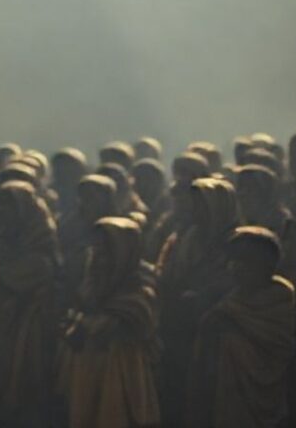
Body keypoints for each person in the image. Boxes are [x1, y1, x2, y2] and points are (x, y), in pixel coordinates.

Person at [184, 227, 295, 428]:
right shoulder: (226, 306)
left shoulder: (281, 303)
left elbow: (282, 348)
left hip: (270, 404)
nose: (235, 267)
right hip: (226, 405)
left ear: (267, 265)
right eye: (233, 260)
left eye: (246, 261)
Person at [57, 217, 160, 428]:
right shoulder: (91, 285)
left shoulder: (139, 295)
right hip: (87, 375)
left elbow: (110, 326)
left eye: (106, 251)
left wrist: (83, 324)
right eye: (96, 249)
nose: (98, 257)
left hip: (122, 380)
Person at [155, 177, 239, 426]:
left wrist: (203, 296)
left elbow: (237, 285)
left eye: (202, 205)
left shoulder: (237, 245)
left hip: (218, 339)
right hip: (178, 332)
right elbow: (168, 275)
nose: (195, 211)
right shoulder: (184, 239)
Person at [0, 180, 58, 427]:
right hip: (1, 320)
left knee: (25, 379)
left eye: (8, 209)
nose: (2, 215)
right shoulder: (0, 238)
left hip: (29, 325)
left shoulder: (40, 248)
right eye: (0, 209)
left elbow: (17, 278)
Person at [58, 174, 119, 310]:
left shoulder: (118, 231)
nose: (85, 203)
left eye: (92, 198)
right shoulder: (68, 225)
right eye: (83, 197)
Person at [50, 147, 89, 224]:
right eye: (60, 167)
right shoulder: (49, 194)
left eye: (68, 167)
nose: (64, 171)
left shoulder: (89, 193)